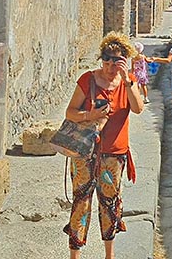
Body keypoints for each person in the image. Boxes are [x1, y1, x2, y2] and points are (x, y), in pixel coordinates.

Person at [63, 32, 144, 259]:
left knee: (109, 204)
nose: (109, 67)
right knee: (81, 201)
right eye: (106, 61)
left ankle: (110, 255)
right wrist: (90, 114)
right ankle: (74, 256)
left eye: (115, 62)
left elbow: (138, 108)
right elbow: (70, 112)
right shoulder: (87, 80)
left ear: (124, 60)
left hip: (114, 155)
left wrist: (128, 81)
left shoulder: (128, 82)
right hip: (85, 152)